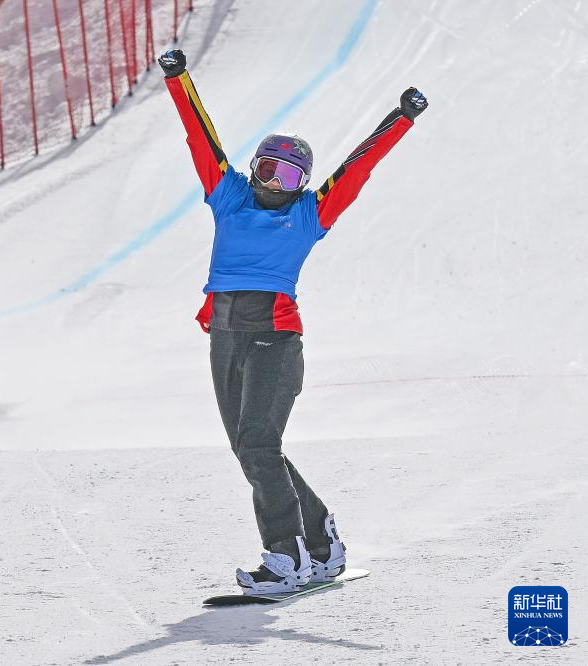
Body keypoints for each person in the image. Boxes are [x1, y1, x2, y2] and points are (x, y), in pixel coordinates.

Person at [158, 49, 428, 594]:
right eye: (268, 170)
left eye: (289, 176)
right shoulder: (228, 195)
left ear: (303, 183)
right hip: (225, 335)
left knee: (259, 446)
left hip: (275, 337)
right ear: (254, 169)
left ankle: (287, 556)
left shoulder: (309, 213)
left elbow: (358, 166)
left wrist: (401, 117)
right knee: (251, 449)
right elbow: (200, 136)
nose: (276, 184)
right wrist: (178, 77)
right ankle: (322, 543)